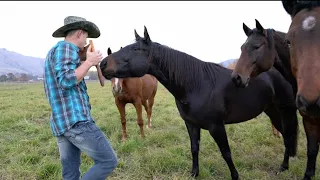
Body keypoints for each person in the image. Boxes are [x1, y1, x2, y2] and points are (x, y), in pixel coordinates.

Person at [43, 16, 118, 180]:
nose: (86, 42)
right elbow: (66, 80)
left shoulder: (55, 52)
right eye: (86, 36)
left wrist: (84, 60)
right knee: (108, 161)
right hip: (75, 120)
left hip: (61, 123)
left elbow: (65, 74)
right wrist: (89, 61)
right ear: (79, 33)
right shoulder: (66, 48)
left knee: (70, 173)